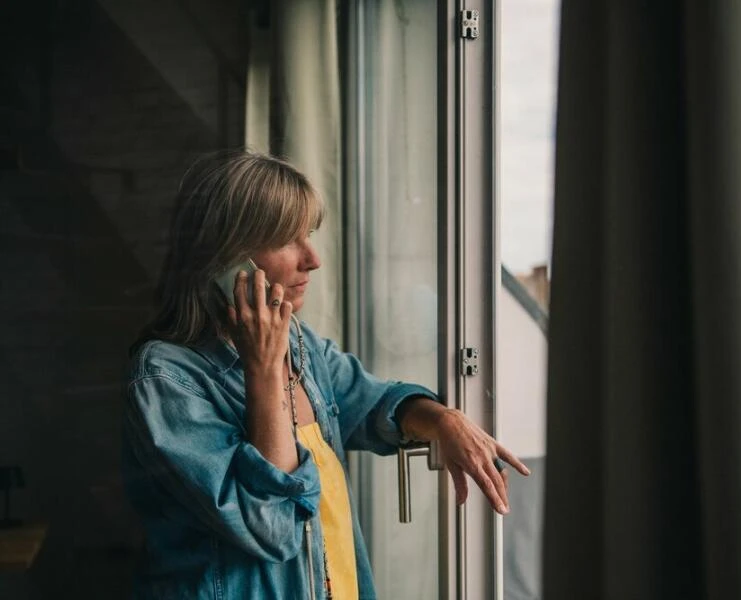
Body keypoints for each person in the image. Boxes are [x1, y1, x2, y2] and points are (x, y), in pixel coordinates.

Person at [122, 150, 529, 599]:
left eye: (309, 235)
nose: (312, 259)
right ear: (226, 261)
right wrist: (262, 373)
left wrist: (444, 421)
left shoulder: (301, 344)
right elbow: (272, 528)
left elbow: (372, 401)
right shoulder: (166, 379)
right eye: (285, 240)